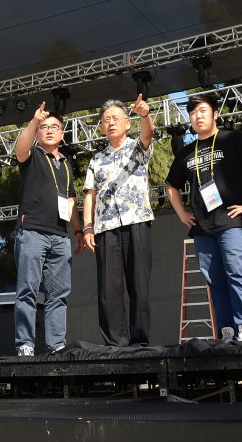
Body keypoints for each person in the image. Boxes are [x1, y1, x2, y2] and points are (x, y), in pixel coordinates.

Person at [165, 92, 242, 342]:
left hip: (231, 222)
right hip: (202, 228)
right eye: (192, 113)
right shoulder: (185, 153)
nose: (197, 116)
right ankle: (226, 330)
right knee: (214, 280)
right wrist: (182, 212)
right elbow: (171, 185)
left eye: (202, 111)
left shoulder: (232, 139)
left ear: (215, 113)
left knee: (237, 272)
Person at [82, 95, 154, 346]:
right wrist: (87, 227)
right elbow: (90, 195)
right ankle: (115, 344)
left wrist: (145, 115)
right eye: (105, 120)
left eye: (115, 118)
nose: (110, 123)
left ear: (127, 123)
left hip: (137, 222)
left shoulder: (137, 147)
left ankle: (140, 342)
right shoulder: (96, 159)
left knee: (139, 285)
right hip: (106, 227)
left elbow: (148, 134)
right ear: (101, 127)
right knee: (108, 290)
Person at [14, 102, 83, 357]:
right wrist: (33, 121)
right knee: (28, 290)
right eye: (45, 127)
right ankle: (25, 344)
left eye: (55, 127)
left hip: (60, 235)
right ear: (38, 132)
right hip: (32, 230)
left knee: (59, 293)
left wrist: (78, 231)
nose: (50, 130)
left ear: (63, 133)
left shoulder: (66, 164)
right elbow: (19, 149)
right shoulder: (32, 155)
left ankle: (56, 345)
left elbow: (71, 201)